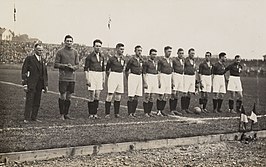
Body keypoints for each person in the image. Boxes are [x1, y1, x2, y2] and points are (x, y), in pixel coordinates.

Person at [21, 43, 48, 123]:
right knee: (30, 100)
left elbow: (45, 74)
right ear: (35, 50)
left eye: (42, 50)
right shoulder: (29, 59)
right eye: (39, 50)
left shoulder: (43, 60)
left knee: (37, 101)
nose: (40, 52)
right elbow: (24, 71)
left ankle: (34, 117)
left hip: (39, 85)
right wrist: (25, 84)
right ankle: (26, 118)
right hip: (31, 84)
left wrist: (45, 85)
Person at [54, 35, 79, 120]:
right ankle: (61, 114)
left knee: (69, 96)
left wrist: (73, 67)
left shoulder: (75, 52)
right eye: (67, 41)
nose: (69, 42)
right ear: (64, 41)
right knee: (63, 96)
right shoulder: (60, 52)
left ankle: (66, 114)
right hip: (63, 77)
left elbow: (77, 65)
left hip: (72, 78)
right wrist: (65, 66)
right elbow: (56, 64)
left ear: (72, 42)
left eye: (70, 41)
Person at [84, 39, 105, 119]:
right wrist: (87, 79)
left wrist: (103, 79)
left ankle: (95, 113)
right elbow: (86, 69)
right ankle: (91, 113)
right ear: (93, 46)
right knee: (92, 95)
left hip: (99, 76)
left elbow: (103, 69)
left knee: (97, 95)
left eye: (100, 46)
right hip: (92, 74)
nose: (98, 48)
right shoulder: (89, 57)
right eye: (97, 46)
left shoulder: (102, 57)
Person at [105, 43, 125, 118]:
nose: (122, 51)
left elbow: (122, 68)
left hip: (120, 76)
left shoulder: (123, 59)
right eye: (121, 49)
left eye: (123, 49)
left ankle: (117, 113)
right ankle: (107, 113)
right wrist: (110, 77)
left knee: (118, 95)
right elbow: (107, 69)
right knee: (110, 94)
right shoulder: (111, 59)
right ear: (117, 49)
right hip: (113, 75)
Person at [125, 45, 144, 117]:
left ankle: (134, 112)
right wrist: (128, 78)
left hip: (139, 77)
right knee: (131, 96)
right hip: (132, 76)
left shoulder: (141, 60)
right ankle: (130, 112)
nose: (139, 52)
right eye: (138, 50)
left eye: (140, 51)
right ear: (135, 51)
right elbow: (126, 70)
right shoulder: (131, 60)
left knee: (137, 95)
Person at [156, 46, 173, 116]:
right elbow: (158, 71)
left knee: (166, 95)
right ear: (165, 51)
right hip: (162, 76)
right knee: (161, 95)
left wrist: (172, 81)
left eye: (170, 52)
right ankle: (159, 110)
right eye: (168, 51)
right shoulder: (161, 60)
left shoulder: (171, 61)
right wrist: (159, 81)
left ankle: (162, 110)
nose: (169, 53)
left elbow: (171, 71)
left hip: (168, 77)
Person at [142, 49, 159, 117]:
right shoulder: (146, 62)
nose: (154, 56)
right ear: (150, 54)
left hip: (154, 79)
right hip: (148, 78)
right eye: (153, 54)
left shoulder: (155, 62)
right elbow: (144, 73)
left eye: (155, 54)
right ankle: (146, 112)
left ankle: (149, 112)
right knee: (147, 96)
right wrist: (145, 82)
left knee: (152, 96)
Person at [170, 48, 185, 115]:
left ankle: (174, 109)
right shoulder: (174, 60)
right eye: (180, 53)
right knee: (173, 93)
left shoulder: (183, 60)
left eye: (182, 53)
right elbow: (172, 70)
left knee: (177, 94)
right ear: (177, 53)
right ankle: (171, 110)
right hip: (175, 75)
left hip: (181, 76)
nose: (181, 54)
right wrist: (172, 79)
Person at [182, 48, 197, 113]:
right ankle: (183, 108)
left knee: (189, 93)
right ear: (188, 53)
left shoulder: (194, 61)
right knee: (185, 93)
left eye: (193, 53)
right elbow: (182, 69)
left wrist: (195, 79)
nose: (193, 55)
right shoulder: (185, 60)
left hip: (192, 77)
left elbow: (195, 70)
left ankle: (187, 108)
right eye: (191, 53)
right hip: (186, 76)